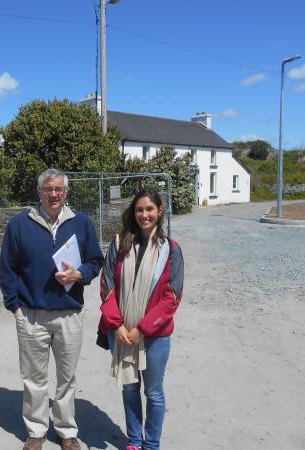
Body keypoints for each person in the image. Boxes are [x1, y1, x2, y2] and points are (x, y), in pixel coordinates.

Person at [0, 168, 103, 450]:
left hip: (69, 314)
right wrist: (15, 307)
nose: (53, 194)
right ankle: (36, 431)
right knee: (34, 379)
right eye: (48, 189)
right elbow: (7, 268)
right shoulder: (20, 224)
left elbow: (96, 260)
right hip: (32, 316)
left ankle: (67, 431)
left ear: (66, 192)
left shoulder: (81, 223)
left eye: (58, 189)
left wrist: (79, 275)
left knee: (67, 378)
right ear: (39, 192)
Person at [97, 187, 184, 450]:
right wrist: (118, 325)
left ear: (159, 211)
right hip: (120, 331)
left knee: (153, 392)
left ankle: (152, 444)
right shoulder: (119, 244)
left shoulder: (171, 249)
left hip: (154, 335)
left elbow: (172, 296)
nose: (144, 214)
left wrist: (142, 329)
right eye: (139, 209)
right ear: (132, 212)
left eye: (149, 209)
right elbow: (106, 286)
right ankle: (135, 441)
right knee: (130, 388)